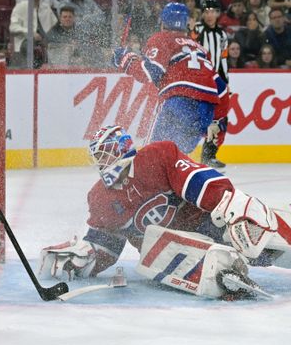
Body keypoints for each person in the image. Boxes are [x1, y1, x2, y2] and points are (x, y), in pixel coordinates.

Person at [39, 125, 291, 300]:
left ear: (121, 148)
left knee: (256, 236)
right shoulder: (100, 197)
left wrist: (229, 210)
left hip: (203, 221)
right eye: (99, 159)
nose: (102, 164)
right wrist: (84, 258)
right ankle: (220, 273)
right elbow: (106, 246)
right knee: (156, 248)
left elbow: (201, 181)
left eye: (105, 155)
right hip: (170, 255)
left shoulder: (157, 156)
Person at [115, 2, 227, 154]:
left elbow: (150, 72)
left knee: (154, 154)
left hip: (179, 101)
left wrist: (125, 59)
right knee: (177, 155)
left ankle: (144, 176)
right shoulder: (198, 47)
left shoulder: (162, 38)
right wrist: (217, 120)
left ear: (162, 21)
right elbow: (221, 88)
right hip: (205, 111)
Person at [191, 0, 229, 168]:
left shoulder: (222, 35)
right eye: (206, 11)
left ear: (218, 14)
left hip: (215, 83)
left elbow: (224, 61)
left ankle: (209, 155)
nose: (210, 14)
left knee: (219, 120)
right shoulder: (197, 30)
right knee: (194, 118)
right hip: (198, 82)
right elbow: (189, 49)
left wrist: (226, 84)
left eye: (213, 11)